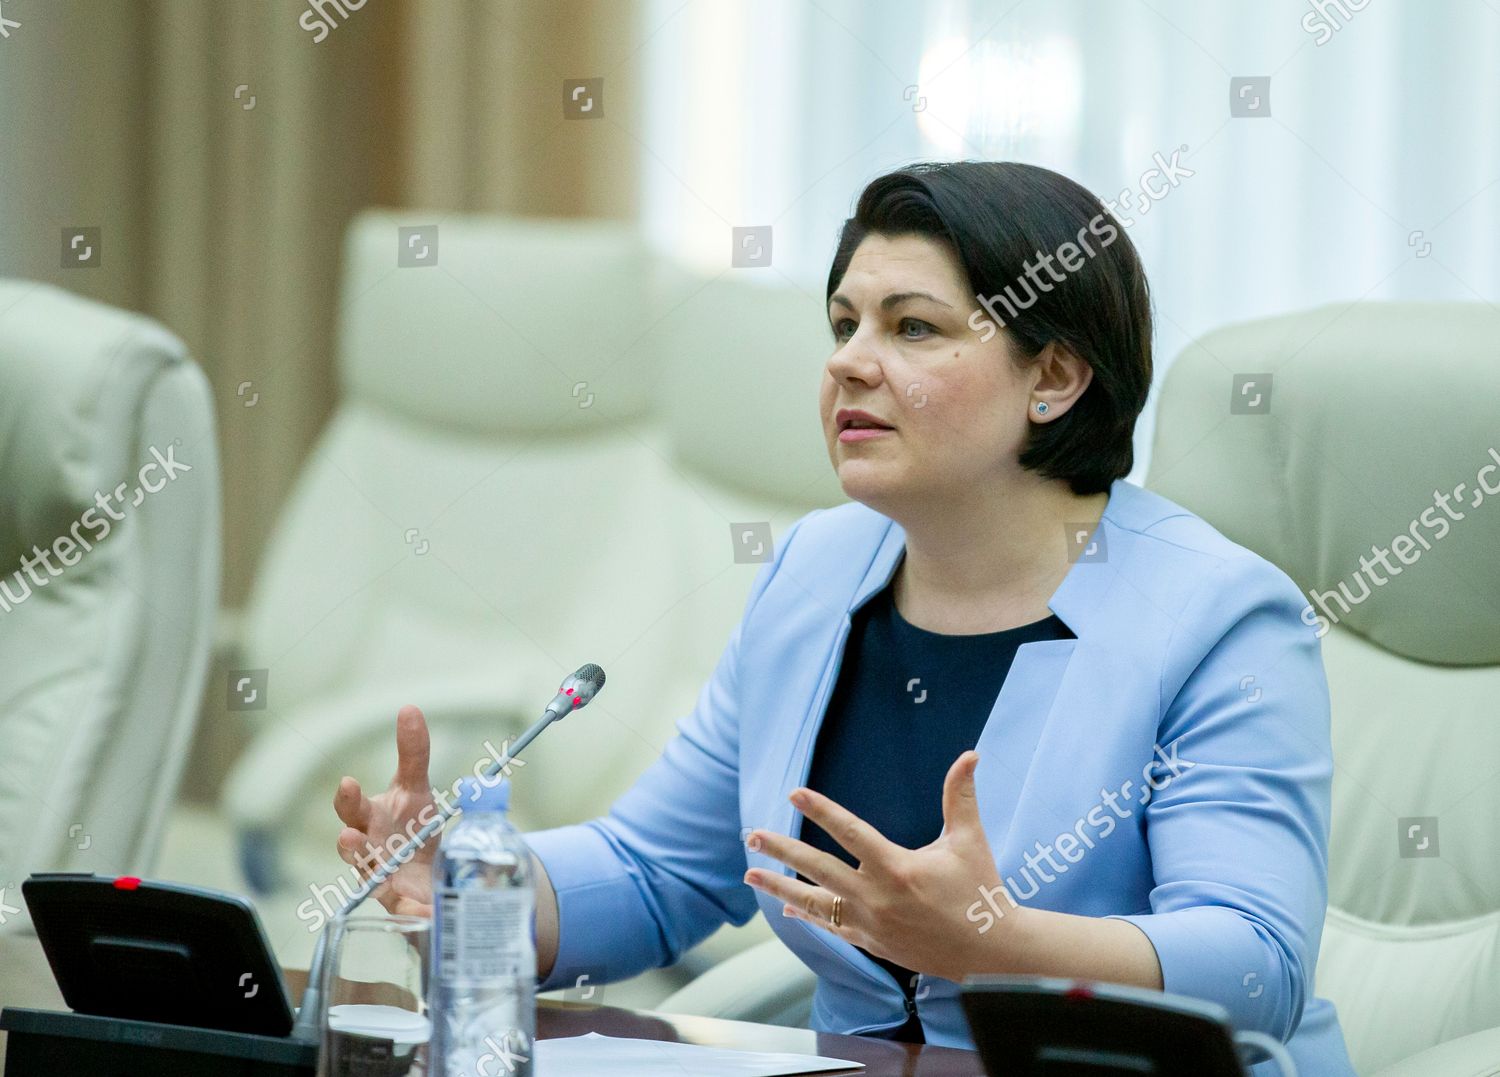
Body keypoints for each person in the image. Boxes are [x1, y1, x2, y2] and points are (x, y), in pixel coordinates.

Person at [332, 160, 1356, 1073]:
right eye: (843, 324)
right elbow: (662, 870)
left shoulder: (1217, 616)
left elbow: (1256, 963)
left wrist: (996, 939)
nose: (848, 364)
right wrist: (479, 879)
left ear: (1054, 376)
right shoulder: (817, 572)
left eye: (913, 327)